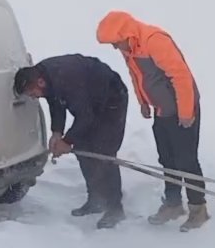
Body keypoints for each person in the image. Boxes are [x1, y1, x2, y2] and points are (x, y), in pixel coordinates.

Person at [95, 10, 209, 232]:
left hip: (182, 107)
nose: (115, 48)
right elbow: (136, 74)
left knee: (186, 161)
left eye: (116, 43)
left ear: (126, 35)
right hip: (162, 109)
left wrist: (185, 112)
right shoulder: (130, 47)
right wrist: (143, 101)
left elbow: (181, 75)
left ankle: (198, 209)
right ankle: (174, 204)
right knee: (167, 158)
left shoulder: (153, 41)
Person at [14, 54, 129, 229]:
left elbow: (86, 116)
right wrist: (57, 132)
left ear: (39, 83)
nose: (33, 98)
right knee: (83, 148)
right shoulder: (43, 75)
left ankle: (115, 207)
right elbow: (56, 103)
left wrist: (67, 141)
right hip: (88, 105)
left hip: (110, 101)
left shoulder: (67, 78)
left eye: (32, 94)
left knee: (104, 153)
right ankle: (96, 199)